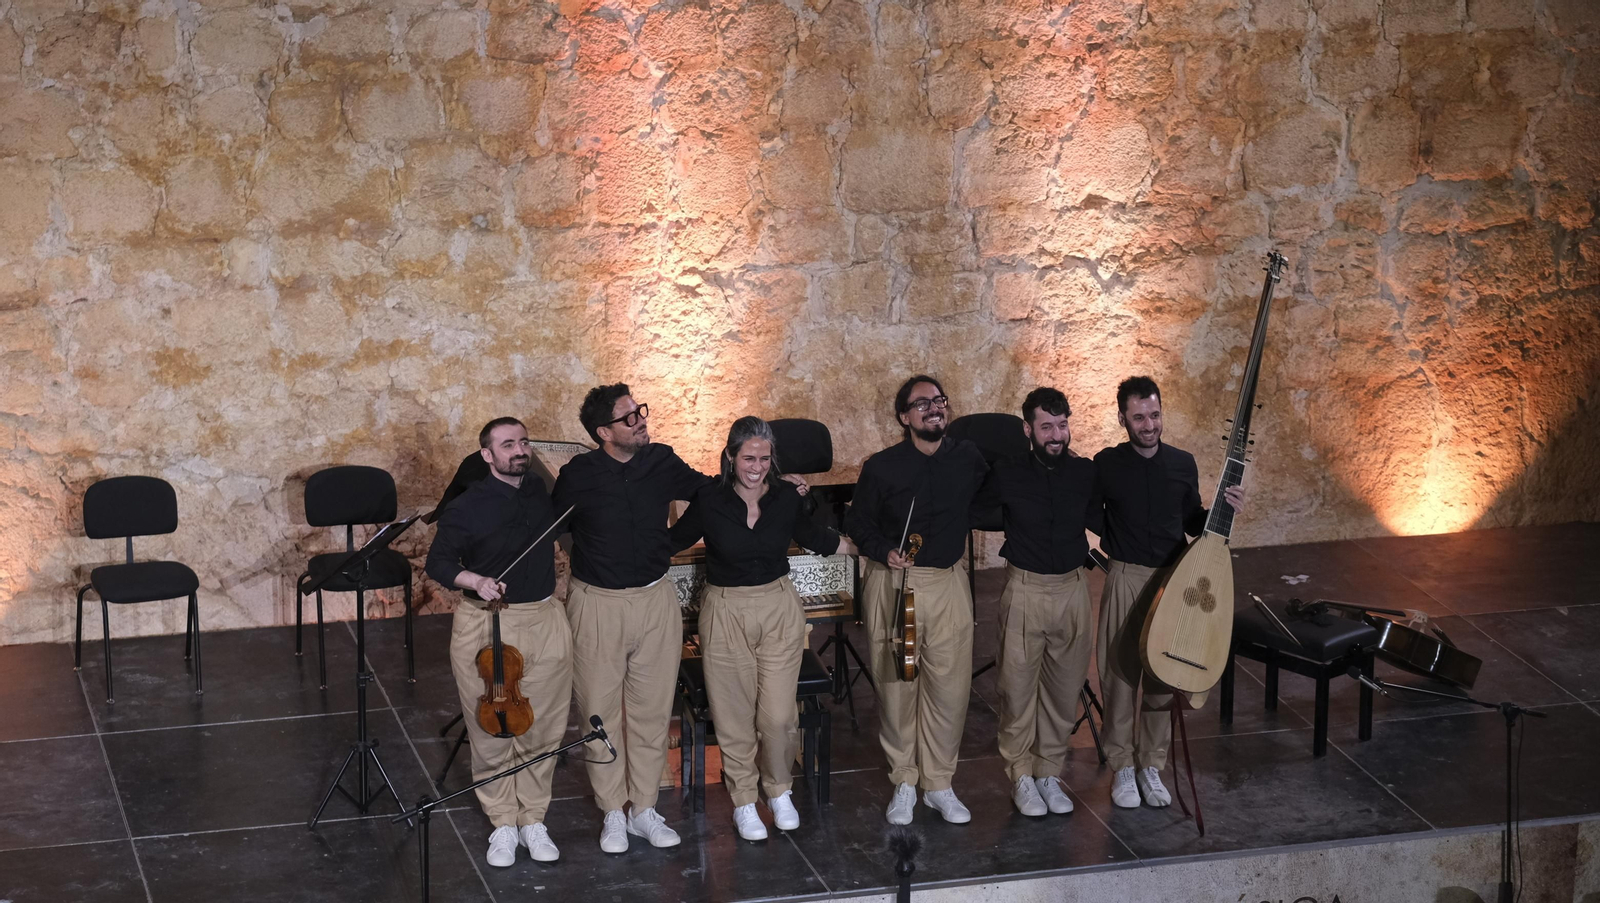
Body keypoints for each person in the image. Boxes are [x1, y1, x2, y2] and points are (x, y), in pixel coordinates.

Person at [552, 385, 808, 853]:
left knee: (652, 714)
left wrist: (776, 482)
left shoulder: (662, 461)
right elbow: (554, 527)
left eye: (639, 412)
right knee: (599, 714)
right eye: (629, 418)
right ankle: (613, 813)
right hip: (598, 603)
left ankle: (644, 809)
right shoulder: (578, 475)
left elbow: (715, 488)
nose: (641, 421)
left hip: (655, 599)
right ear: (604, 432)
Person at [669, 417, 857, 841]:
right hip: (725, 609)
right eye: (748, 458)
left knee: (779, 716)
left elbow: (814, 536)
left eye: (764, 459)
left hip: (777, 607)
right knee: (733, 714)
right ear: (730, 456)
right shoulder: (709, 499)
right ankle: (743, 800)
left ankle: (778, 790)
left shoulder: (786, 496)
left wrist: (864, 548)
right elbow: (673, 540)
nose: (756, 467)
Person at [424, 417, 573, 867]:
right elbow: (438, 563)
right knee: (492, 729)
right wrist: (476, 581)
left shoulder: (540, 492)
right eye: (508, 445)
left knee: (543, 728)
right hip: (487, 624)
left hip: (544, 619)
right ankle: (503, 823)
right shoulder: (467, 506)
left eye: (523, 442)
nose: (519, 450)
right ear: (487, 455)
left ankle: (533, 819)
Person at [1093, 376, 1243, 809]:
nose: (1149, 425)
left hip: (1171, 580)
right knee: (1120, 674)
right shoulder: (1106, 464)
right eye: (1139, 417)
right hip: (1125, 576)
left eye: (1155, 415)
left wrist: (1223, 510)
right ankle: (1122, 765)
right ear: (1122, 419)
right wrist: (1117, 541)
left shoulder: (1182, 463)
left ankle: (1151, 765)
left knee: (1164, 675)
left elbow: (1191, 521)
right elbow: (1091, 513)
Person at [845, 375, 989, 826]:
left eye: (939, 401)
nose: (934, 408)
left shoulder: (968, 458)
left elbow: (993, 498)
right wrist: (882, 549)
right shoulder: (882, 467)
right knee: (897, 688)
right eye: (922, 403)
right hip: (895, 584)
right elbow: (858, 524)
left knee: (950, 690)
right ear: (904, 417)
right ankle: (905, 781)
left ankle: (939, 784)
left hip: (947, 583)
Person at [973, 387, 1100, 818]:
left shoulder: (1084, 472)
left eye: (1062, 425)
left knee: (1064, 692)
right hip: (1025, 589)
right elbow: (971, 508)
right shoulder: (1008, 472)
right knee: (1017, 691)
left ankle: (1048, 772)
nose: (1056, 435)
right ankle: (1021, 776)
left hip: (1073, 589)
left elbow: (1107, 516)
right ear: (1028, 430)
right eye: (1046, 427)